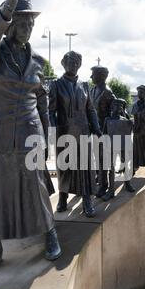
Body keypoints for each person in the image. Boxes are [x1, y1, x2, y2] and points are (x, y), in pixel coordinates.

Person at [0, 0, 61, 277]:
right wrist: (7, 6)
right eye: (22, 23)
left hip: (29, 131)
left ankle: (49, 233)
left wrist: (45, 134)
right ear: (10, 27)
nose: (27, 28)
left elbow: (43, 99)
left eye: (30, 24)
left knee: (36, 186)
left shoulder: (38, 62)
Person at [49, 51, 102, 217]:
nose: (74, 65)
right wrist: (53, 130)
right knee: (65, 167)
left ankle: (87, 201)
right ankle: (63, 197)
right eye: (71, 62)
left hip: (83, 132)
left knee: (85, 168)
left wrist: (97, 128)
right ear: (64, 64)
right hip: (64, 132)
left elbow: (90, 109)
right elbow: (50, 112)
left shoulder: (84, 85)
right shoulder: (56, 85)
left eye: (77, 63)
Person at [101, 98, 135, 201]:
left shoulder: (124, 120)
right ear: (112, 107)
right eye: (116, 106)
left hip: (122, 146)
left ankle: (127, 183)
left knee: (125, 164)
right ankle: (111, 190)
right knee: (111, 168)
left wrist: (130, 122)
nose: (118, 108)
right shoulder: (108, 120)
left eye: (120, 106)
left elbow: (129, 132)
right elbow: (104, 134)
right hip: (111, 146)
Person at [90, 65, 115, 197]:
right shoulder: (92, 90)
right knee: (97, 158)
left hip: (104, 133)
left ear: (101, 76)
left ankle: (104, 185)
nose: (91, 77)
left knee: (103, 159)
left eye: (93, 74)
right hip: (94, 131)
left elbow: (114, 114)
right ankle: (100, 180)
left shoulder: (108, 93)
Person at [131, 85, 145, 177]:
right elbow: (135, 116)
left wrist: (140, 114)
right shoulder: (135, 104)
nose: (138, 94)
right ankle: (134, 166)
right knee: (135, 149)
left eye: (141, 92)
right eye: (138, 92)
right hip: (137, 129)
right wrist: (134, 126)